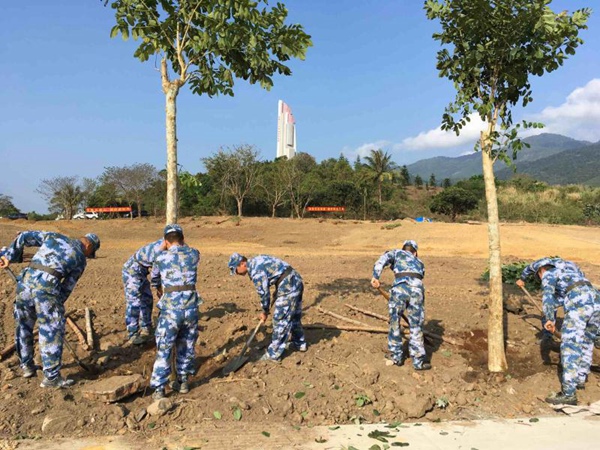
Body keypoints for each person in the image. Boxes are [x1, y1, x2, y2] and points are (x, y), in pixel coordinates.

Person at [0, 231, 100, 388]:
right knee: (51, 330)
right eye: (90, 252)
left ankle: (26, 366)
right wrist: (56, 307)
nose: (88, 255)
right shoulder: (80, 259)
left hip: (25, 283)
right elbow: (67, 287)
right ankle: (52, 378)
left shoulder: (55, 236)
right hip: (47, 289)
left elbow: (24, 236)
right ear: (88, 245)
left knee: (24, 326)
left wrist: (8, 255)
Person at [517, 257, 600, 405]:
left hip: (579, 301)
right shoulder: (570, 266)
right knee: (587, 341)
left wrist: (549, 319)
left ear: (541, 271)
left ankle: (569, 394)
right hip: (595, 297)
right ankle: (580, 379)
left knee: (570, 346)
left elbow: (548, 297)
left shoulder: (546, 272)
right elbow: (561, 298)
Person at [150, 225, 200, 400]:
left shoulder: (161, 256)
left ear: (165, 241)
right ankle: (183, 381)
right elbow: (189, 250)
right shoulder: (194, 254)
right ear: (183, 238)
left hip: (171, 310)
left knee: (164, 347)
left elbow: (154, 277)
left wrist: (162, 248)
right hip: (191, 308)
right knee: (186, 346)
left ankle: (159, 389)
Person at [228, 253, 306, 362]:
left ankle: (274, 354)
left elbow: (264, 293)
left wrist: (264, 311)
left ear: (242, 264)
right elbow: (276, 273)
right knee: (293, 316)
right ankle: (299, 343)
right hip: (294, 280)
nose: (236, 273)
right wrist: (278, 290)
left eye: (235, 270)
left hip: (288, 285)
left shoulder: (256, 271)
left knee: (280, 320)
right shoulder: (257, 260)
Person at [371, 240, 431, 371]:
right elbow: (419, 275)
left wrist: (375, 277)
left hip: (400, 289)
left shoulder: (396, 253)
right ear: (415, 253)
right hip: (417, 290)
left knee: (394, 322)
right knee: (416, 325)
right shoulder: (420, 263)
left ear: (404, 249)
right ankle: (418, 361)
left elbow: (382, 260)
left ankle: (396, 356)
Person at [122, 234, 165, 345]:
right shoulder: (160, 249)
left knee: (147, 299)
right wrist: (158, 288)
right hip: (132, 270)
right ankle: (132, 334)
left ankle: (146, 327)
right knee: (134, 302)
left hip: (142, 272)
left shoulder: (169, 244)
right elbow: (155, 274)